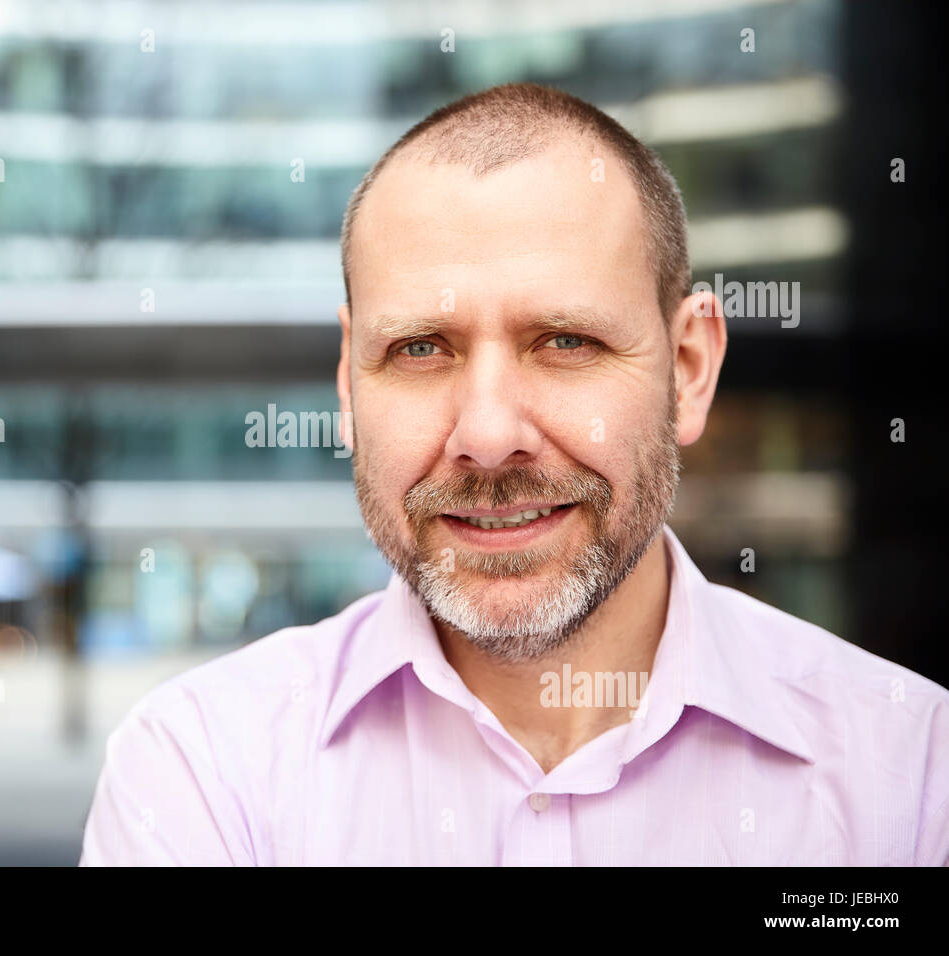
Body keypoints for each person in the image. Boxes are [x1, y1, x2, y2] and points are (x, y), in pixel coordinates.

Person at [80, 83, 949, 865]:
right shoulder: (202, 772)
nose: (489, 437)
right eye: (421, 348)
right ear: (349, 388)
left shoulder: (910, 776)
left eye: (566, 341)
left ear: (688, 369)